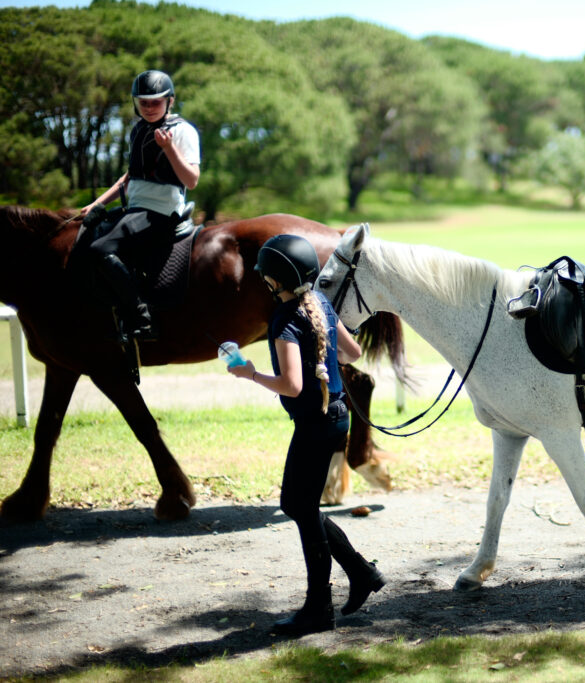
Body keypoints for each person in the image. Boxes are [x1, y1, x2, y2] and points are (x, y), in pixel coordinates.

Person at [228, 234, 385, 636]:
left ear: (276, 281)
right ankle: (360, 573)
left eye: (266, 277)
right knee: (298, 505)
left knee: (300, 507)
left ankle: (320, 607)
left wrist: (250, 374)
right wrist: (324, 348)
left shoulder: (283, 321)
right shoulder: (321, 304)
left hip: (315, 425)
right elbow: (352, 354)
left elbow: (292, 386)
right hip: (335, 419)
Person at [82, 69, 201, 339]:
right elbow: (129, 177)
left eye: (155, 102)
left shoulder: (183, 131)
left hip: (162, 210)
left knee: (101, 249)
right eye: (143, 102)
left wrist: (169, 149)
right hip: (135, 208)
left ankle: (141, 315)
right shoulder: (138, 130)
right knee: (89, 231)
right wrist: (96, 204)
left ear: (170, 101)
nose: (148, 108)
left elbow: (191, 180)